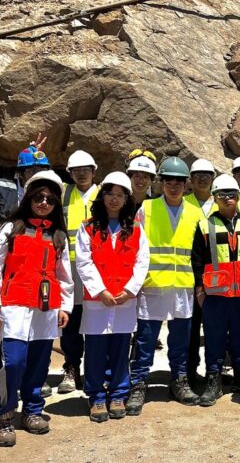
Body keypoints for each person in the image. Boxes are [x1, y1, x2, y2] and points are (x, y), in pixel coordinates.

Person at [0, 171, 74, 447]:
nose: (44, 203)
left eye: (50, 200)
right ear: (29, 198)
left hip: (45, 311)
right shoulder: (9, 229)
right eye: (39, 197)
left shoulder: (58, 236)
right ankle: (5, 414)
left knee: (39, 363)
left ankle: (32, 410)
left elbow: (64, 276)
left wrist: (64, 306)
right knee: (13, 362)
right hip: (13, 308)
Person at [127, 157, 201, 415]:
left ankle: (179, 380)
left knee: (180, 339)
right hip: (152, 285)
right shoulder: (146, 209)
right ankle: (138, 383)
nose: (173, 186)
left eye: (178, 181)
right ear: (160, 183)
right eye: (168, 181)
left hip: (183, 286)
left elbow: (200, 253)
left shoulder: (195, 212)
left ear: (186, 184)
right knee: (146, 339)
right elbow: (135, 248)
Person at [75, 172, 149, 423]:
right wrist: (100, 291)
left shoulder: (136, 228)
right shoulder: (87, 227)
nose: (114, 199)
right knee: (95, 349)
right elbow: (84, 263)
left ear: (127, 199)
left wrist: (130, 289)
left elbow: (142, 261)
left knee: (120, 348)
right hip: (98, 300)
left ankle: (118, 393)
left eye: (120, 195)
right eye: (110, 193)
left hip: (124, 299)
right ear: (102, 195)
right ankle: (96, 396)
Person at [191, 174, 240, 407]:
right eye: (221, 195)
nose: (227, 199)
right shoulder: (205, 225)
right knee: (213, 337)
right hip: (215, 295)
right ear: (214, 198)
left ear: (237, 197)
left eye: (231, 195)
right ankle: (213, 380)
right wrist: (199, 289)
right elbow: (197, 260)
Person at [57, 150, 100, 395]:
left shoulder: (104, 193)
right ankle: (71, 368)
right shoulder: (63, 194)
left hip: (98, 267)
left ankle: (96, 369)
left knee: (95, 320)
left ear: (94, 171)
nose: (81, 173)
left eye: (86, 169)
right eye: (76, 170)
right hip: (69, 267)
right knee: (70, 322)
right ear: (70, 173)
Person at [184, 158, 216, 381]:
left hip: (218, 275)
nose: (202, 179)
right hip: (189, 274)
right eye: (198, 175)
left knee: (216, 326)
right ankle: (190, 369)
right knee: (191, 326)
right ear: (191, 180)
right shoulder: (182, 204)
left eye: (207, 175)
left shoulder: (222, 202)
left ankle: (215, 370)